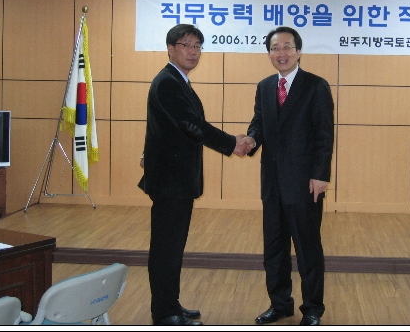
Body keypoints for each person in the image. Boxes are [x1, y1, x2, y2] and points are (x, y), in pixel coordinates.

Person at [139, 23, 252, 326]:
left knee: (172, 247)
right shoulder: (168, 82)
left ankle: (170, 303)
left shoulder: (178, 80)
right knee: (166, 248)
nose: (193, 51)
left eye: (197, 46)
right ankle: (165, 312)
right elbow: (190, 125)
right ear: (170, 48)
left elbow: (168, 128)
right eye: (186, 45)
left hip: (175, 179)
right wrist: (231, 143)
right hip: (171, 182)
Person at [244, 26, 334, 326]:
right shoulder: (265, 86)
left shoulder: (316, 86)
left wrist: (320, 175)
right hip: (272, 183)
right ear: (269, 54)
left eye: (287, 47)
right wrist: (251, 139)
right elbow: (259, 122)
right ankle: (280, 304)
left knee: (308, 249)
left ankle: (312, 309)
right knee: (274, 248)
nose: (281, 53)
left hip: (305, 183)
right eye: (275, 48)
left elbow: (324, 135)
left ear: (298, 51)